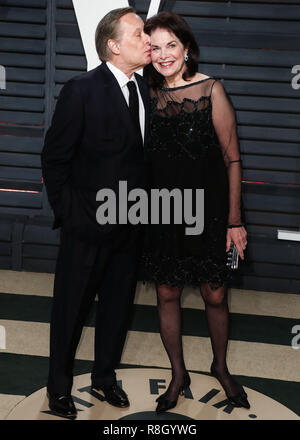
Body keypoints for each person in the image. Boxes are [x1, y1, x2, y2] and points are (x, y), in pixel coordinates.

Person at [41, 7, 151, 418]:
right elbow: (54, 159)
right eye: (139, 34)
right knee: (70, 311)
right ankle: (59, 388)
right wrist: (72, 216)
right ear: (114, 45)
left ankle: (105, 378)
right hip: (86, 228)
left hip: (131, 228)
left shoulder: (146, 91)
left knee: (117, 309)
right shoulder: (81, 89)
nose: (147, 39)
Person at [140, 11, 249, 413]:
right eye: (155, 47)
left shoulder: (211, 91)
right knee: (167, 292)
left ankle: (220, 368)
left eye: (172, 45)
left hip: (211, 213)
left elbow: (232, 160)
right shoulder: (144, 95)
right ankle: (178, 375)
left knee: (215, 295)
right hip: (162, 213)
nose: (164, 54)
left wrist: (234, 221)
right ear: (146, 53)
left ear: (186, 49)